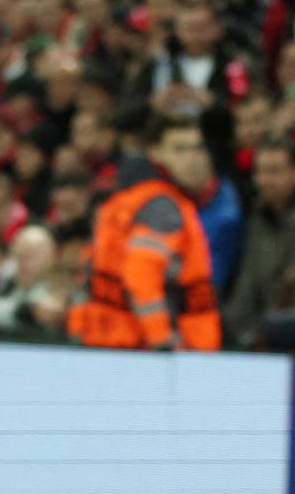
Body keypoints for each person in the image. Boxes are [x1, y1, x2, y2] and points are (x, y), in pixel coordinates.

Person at [69, 114, 222, 351]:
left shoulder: (127, 198)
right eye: (179, 149)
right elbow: (141, 275)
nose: (192, 159)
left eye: (197, 148)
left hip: (104, 337)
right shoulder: (163, 205)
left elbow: (89, 267)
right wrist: (163, 340)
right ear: (156, 153)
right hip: (141, 349)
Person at [221, 139, 295, 347]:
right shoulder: (260, 219)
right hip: (256, 335)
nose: (262, 181)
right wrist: (231, 332)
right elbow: (247, 283)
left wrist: (262, 334)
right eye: (259, 172)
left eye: (273, 171)